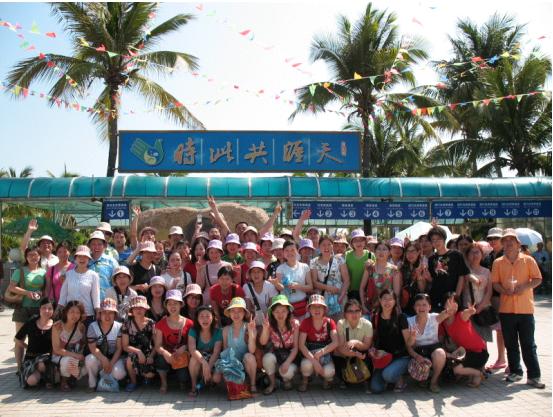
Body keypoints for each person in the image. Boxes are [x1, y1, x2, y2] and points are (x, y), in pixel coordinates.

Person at [491, 228, 545, 388]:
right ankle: (515, 372)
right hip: (506, 309)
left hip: (525, 309)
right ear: (502, 244)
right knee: (511, 343)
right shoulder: (498, 262)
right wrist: (503, 290)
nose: (508, 243)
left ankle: (534, 376)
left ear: (518, 243)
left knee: (528, 344)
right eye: (505, 241)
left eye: (511, 240)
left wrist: (524, 287)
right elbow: (495, 283)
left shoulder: (528, 260)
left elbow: (537, 279)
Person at [9, 246, 46, 369]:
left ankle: (35, 365)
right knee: (20, 338)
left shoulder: (43, 272)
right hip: (22, 308)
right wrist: (27, 293)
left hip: (38, 309)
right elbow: (12, 287)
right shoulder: (20, 271)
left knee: (36, 339)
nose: (33, 257)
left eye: (36, 255)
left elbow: (45, 289)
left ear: (40, 256)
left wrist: (41, 293)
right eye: (30, 255)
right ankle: (19, 367)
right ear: (26, 257)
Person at [441, 292, 489, 388]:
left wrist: (470, 311)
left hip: (479, 352)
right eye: (449, 302)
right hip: (464, 353)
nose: (452, 305)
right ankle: (473, 371)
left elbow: (466, 313)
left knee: (456, 370)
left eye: (455, 302)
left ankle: (478, 373)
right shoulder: (443, 322)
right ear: (443, 305)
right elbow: (441, 340)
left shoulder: (461, 315)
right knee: (453, 373)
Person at [406, 293, 450, 393]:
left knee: (440, 353)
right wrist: (412, 337)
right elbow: (409, 345)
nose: (421, 307)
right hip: (419, 352)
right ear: (414, 307)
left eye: (424, 305)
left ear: (429, 307)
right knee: (419, 370)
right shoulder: (409, 321)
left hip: (434, 349)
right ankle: (424, 379)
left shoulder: (434, 317)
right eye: (418, 305)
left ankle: (434, 381)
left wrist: (448, 310)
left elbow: (444, 314)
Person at [370, 289, 411, 393]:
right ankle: (390, 378)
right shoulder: (375, 317)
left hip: (400, 357)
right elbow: (374, 339)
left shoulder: (401, 317)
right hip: (383, 358)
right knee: (376, 388)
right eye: (384, 299)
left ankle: (399, 378)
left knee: (388, 375)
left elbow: (408, 343)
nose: (387, 302)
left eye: (390, 299)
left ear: (395, 301)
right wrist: (373, 350)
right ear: (380, 300)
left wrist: (413, 338)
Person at [154, 289, 194, 393]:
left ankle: (182, 381)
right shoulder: (161, 324)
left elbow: (193, 343)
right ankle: (164, 383)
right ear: (166, 306)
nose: (172, 306)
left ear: (181, 305)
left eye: (175, 303)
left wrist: (185, 347)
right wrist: (165, 353)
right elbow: (158, 346)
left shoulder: (190, 323)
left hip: (183, 356)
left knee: (183, 378)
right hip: (167, 355)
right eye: (170, 304)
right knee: (160, 359)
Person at [259, 295, 300, 394]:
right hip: (276, 355)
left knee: (286, 373)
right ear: (272, 313)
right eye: (277, 311)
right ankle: (272, 384)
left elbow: (295, 348)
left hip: (290, 357)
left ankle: (286, 380)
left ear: (288, 312)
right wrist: (265, 329)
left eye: (283, 311)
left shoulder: (295, 324)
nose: (280, 314)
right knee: (267, 358)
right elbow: (263, 342)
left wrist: (287, 362)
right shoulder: (269, 324)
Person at [298, 294, 339, 391]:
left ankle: (326, 380)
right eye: (313, 307)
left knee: (330, 371)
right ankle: (305, 381)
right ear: (309, 309)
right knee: (305, 364)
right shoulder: (305, 322)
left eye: (320, 307)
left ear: (324, 309)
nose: (317, 310)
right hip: (310, 354)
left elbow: (336, 342)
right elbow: (301, 345)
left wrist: (321, 353)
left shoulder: (330, 322)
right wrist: (314, 361)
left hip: (325, 355)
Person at [218, 297, 258, 393]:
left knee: (249, 357)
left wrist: (251, 333)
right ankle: (240, 382)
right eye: (233, 311)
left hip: (245, 362)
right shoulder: (226, 330)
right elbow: (225, 350)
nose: (236, 314)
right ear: (229, 313)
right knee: (217, 377)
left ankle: (253, 384)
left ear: (244, 313)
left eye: (239, 311)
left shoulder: (249, 327)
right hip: (233, 363)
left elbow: (252, 350)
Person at [85, 298, 126, 391]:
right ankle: (92, 384)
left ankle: (110, 380)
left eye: (111, 312)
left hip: (115, 358)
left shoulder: (119, 326)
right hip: (99, 358)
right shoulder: (92, 326)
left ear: (115, 314)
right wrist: (104, 360)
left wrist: (110, 364)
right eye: (104, 312)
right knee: (89, 360)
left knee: (119, 373)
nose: (107, 316)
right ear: (100, 314)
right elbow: (93, 348)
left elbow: (119, 348)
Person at [481, 227, 507, 370]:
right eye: (490, 239)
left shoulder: (507, 255)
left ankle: (511, 361)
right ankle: (501, 358)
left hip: (506, 298)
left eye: (496, 238)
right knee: (500, 330)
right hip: (492, 298)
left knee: (508, 330)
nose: (492, 241)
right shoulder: (488, 257)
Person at [427, 227, 469, 311]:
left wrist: (456, 296)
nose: (436, 242)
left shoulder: (456, 254)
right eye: (433, 240)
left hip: (452, 297)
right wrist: (427, 277)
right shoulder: (431, 258)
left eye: (439, 239)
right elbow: (433, 279)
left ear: (444, 239)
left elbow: (462, 277)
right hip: (435, 298)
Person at [15, 298, 54, 388]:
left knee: (41, 364)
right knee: (31, 381)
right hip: (31, 358)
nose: (46, 311)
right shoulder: (31, 322)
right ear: (39, 309)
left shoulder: (55, 325)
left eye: (50, 308)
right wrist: (27, 347)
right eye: (44, 308)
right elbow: (17, 339)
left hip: (47, 359)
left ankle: (47, 378)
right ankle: (42, 377)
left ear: (53, 311)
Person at [58, 245, 100, 327]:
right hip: (70, 314)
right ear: (75, 259)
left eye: (85, 257)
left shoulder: (94, 275)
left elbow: (96, 296)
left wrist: (97, 311)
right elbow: (63, 295)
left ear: (89, 259)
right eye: (79, 256)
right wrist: (58, 309)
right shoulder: (68, 274)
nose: (82, 259)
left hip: (87, 314)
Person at [334, 299, 372, 388]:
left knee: (368, 354)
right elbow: (340, 347)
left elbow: (367, 346)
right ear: (345, 314)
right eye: (350, 311)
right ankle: (343, 378)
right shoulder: (341, 323)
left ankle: (366, 379)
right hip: (346, 352)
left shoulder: (367, 324)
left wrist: (355, 342)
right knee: (336, 353)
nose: (354, 314)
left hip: (361, 351)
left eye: (357, 311)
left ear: (361, 312)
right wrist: (355, 354)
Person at [310, 235, 350, 321]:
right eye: (323, 245)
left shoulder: (340, 260)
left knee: (340, 323)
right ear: (319, 246)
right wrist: (328, 288)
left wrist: (341, 296)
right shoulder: (314, 262)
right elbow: (314, 282)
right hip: (322, 299)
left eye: (329, 244)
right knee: (325, 324)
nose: (326, 247)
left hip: (339, 298)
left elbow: (346, 280)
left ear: (332, 246)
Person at [121, 295, 156, 392]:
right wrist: (138, 352)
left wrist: (151, 356)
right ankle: (133, 382)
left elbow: (156, 344)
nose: (138, 310)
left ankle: (145, 376)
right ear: (131, 310)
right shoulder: (127, 324)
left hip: (149, 352)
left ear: (145, 309)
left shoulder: (151, 323)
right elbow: (125, 346)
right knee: (130, 360)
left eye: (141, 307)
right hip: (133, 352)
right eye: (135, 308)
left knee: (150, 374)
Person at [459, 243, 493, 342]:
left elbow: (489, 291)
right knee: (468, 338)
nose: (475, 255)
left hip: (483, 309)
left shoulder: (487, 271)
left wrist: (480, 307)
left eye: (477, 252)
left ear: (482, 254)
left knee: (483, 339)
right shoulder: (464, 271)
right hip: (467, 308)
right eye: (472, 252)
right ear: (467, 255)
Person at [187, 305, 223, 397]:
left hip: (214, 358)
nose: (205, 319)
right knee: (193, 359)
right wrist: (204, 363)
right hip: (200, 357)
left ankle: (209, 382)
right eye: (202, 316)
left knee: (217, 378)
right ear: (197, 319)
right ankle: (194, 386)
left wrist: (208, 367)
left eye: (208, 316)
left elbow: (216, 353)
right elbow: (192, 349)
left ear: (213, 317)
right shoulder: (193, 330)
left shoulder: (218, 331)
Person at [51, 301, 87, 391]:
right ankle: (64, 381)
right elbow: (57, 349)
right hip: (59, 356)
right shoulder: (57, 326)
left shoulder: (81, 327)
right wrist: (75, 355)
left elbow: (83, 343)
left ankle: (72, 378)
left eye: (78, 313)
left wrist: (80, 356)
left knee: (89, 364)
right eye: (72, 312)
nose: (75, 315)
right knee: (69, 361)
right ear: (66, 312)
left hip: (76, 356)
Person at [274, 240, 313, 320]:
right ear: (283, 253)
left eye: (292, 250)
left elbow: (310, 287)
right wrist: (276, 284)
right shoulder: (280, 269)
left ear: (297, 251)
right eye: (287, 250)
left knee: (303, 326)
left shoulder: (305, 267)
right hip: (287, 307)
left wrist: (298, 286)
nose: (290, 253)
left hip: (302, 305)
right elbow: (281, 288)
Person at [360, 241, 401, 314]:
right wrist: (363, 305)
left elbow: (396, 294)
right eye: (378, 249)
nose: (381, 252)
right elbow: (362, 288)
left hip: (388, 309)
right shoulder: (369, 268)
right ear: (375, 252)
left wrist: (397, 307)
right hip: (370, 308)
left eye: (384, 249)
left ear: (389, 252)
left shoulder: (394, 270)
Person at [197, 240, 232, 304]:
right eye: (211, 252)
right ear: (208, 254)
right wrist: (198, 271)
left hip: (225, 298)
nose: (214, 255)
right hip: (209, 298)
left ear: (221, 253)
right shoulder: (204, 267)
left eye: (216, 252)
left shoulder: (228, 265)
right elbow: (200, 286)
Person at [243, 261, 278, 326]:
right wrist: (251, 324)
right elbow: (248, 309)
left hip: (269, 320)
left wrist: (267, 324)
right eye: (253, 272)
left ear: (263, 274)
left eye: (258, 271)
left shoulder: (270, 286)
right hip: (253, 319)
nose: (256, 274)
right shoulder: (246, 287)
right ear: (250, 275)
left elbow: (272, 308)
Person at [87, 231, 119, 302]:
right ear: (89, 246)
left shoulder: (111, 262)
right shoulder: (85, 261)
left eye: (99, 244)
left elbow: (117, 282)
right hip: (88, 302)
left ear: (104, 246)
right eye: (93, 244)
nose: (96, 247)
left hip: (107, 302)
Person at [400, 242, 430, 315]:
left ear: (418, 252)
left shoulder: (423, 267)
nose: (410, 254)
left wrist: (419, 275)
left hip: (418, 306)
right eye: (407, 251)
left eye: (412, 251)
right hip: (404, 304)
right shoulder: (402, 267)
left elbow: (422, 290)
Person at [345, 229, 375, 301]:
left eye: (361, 240)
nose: (359, 243)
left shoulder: (371, 255)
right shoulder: (347, 255)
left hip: (366, 292)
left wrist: (372, 267)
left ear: (365, 242)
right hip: (350, 292)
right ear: (352, 243)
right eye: (355, 240)